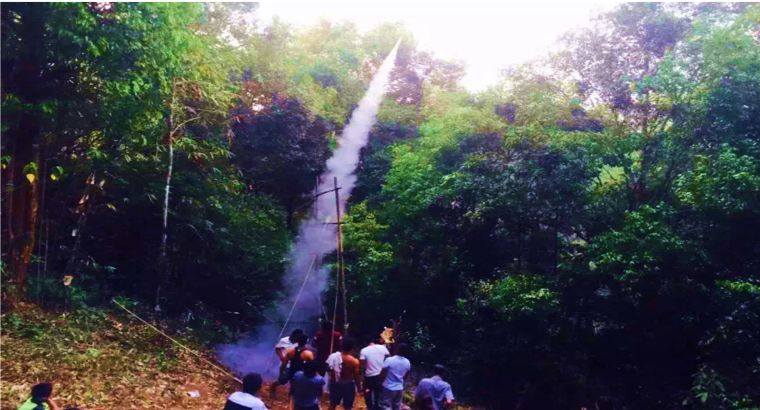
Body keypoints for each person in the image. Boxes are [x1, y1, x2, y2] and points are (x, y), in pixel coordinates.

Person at [327, 338, 361, 410]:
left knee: (332, 404)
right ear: (352, 348)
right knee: (348, 407)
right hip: (347, 384)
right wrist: (359, 388)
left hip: (335, 383)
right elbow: (356, 376)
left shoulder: (333, 357)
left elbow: (329, 369)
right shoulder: (354, 361)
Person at [269, 329, 304, 396]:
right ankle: (272, 387)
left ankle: (291, 396)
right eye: (297, 338)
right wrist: (281, 356)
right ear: (293, 336)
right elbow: (277, 348)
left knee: (294, 380)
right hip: (285, 364)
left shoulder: (300, 342)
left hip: (295, 364)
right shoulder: (284, 340)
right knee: (283, 380)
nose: (297, 339)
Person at [360, 336, 390, 410]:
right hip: (380, 376)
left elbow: (362, 364)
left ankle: (370, 407)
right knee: (378, 394)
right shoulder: (382, 347)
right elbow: (389, 357)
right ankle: (377, 407)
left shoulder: (364, 350)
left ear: (366, 343)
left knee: (367, 394)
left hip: (369, 377)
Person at [379, 343, 411, 410]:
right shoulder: (407, 362)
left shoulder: (390, 360)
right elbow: (406, 376)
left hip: (388, 386)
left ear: (398, 350)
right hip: (399, 388)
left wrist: (380, 382)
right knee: (396, 406)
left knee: (385, 406)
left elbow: (382, 373)